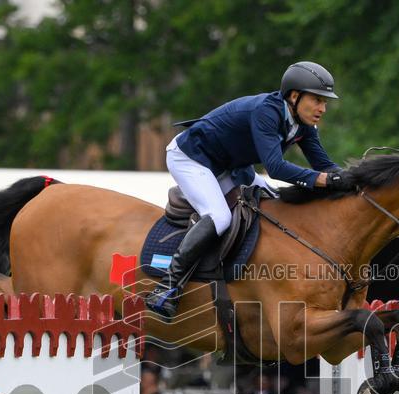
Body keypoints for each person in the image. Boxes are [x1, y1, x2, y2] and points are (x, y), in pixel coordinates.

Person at [145, 61, 355, 319]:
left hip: (230, 167)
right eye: (317, 100)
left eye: (325, 102)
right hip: (192, 158)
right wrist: (326, 181)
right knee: (220, 217)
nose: (323, 108)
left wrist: (354, 180)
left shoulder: (304, 125)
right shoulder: (267, 112)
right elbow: (276, 168)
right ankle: (167, 286)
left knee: (275, 202)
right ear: (294, 96)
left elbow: (324, 166)